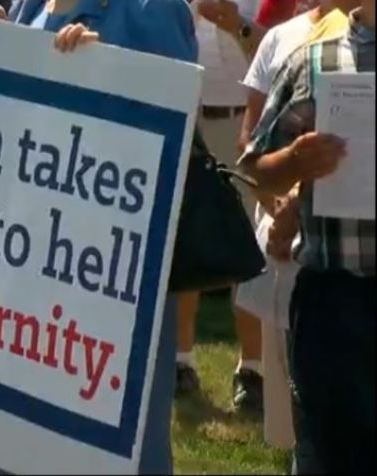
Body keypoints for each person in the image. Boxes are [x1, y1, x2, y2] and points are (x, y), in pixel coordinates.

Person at [0, 1, 195, 473]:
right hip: (15, 284)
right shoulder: (27, 6)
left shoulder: (153, 10)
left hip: (104, 299)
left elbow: (177, 139)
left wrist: (112, 75)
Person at [239, 0, 375, 472]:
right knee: (328, 453)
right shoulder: (317, 60)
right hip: (335, 306)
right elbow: (255, 168)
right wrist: (295, 162)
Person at [172, 0, 266, 415]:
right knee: (188, 237)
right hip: (188, 121)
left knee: (249, 246)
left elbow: (275, 59)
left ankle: (253, 369)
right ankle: (180, 361)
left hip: (243, 125)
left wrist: (235, 22)